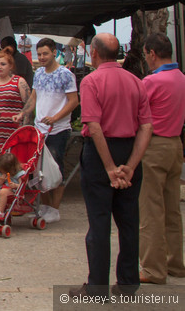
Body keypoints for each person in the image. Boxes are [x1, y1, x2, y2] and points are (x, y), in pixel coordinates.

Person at [72, 33, 152, 297]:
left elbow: (94, 127)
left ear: (93, 53)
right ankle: (128, 283)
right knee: (129, 221)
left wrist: (109, 168)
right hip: (130, 148)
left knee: (99, 222)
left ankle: (97, 287)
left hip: (100, 154)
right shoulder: (136, 81)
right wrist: (130, 165)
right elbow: (146, 126)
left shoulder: (91, 81)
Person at [138, 33, 185, 284]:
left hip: (154, 145)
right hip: (175, 144)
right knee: (172, 208)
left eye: (146, 54)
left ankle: (154, 269)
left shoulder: (151, 81)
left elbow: (138, 113)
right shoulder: (181, 78)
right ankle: (175, 262)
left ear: (152, 54)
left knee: (151, 209)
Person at [19, 37, 79, 223]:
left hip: (58, 130)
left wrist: (55, 118)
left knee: (56, 170)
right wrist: (23, 114)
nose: (43, 57)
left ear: (55, 52)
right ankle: (44, 207)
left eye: (46, 53)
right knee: (38, 171)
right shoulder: (38, 74)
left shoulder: (66, 74)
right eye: (40, 54)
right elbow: (33, 99)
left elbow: (74, 101)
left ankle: (54, 209)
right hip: (40, 129)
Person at [0, 50, 30, 167]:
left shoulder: (19, 81)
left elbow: (29, 104)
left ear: (11, 66)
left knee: (15, 163)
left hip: (13, 131)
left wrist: (22, 119)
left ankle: (14, 185)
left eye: (3, 64)